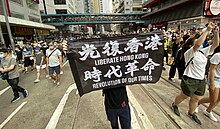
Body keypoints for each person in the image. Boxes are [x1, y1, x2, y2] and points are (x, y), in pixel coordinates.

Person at [61, 40, 131, 129]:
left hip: (123, 104)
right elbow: (87, 63)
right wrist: (72, 52)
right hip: (110, 105)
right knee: (114, 125)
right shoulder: (104, 66)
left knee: (126, 127)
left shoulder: (123, 65)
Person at [171, 23, 219, 125]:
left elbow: (215, 44)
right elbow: (197, 44)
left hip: (201, 80)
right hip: (190, 78)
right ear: (190, 45)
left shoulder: (203, 52)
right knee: (184, 95)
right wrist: (207, 30)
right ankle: (175, 105)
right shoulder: (189, 52)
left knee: (196, 98)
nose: (200, 43)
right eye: (197, 41)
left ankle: (191, 113)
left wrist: (216, 32)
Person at [196, 29, 220, 122]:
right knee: (213, 99)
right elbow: (211, 69)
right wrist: (212, 84)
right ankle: (197, 102)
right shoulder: (217, 55)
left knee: (218, 99)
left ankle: (208, 111)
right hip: (215, 79)